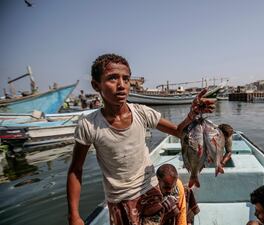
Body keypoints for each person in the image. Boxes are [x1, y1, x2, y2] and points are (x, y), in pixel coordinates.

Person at [67, 53, 215, 225]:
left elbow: (177, 131)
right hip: (121, 199)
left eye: (126, 79)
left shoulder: (142, 112)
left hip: (151, 189)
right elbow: (76, 169)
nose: (121, 85)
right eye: (112, 78)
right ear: (96, 85)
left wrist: (192, 114)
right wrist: (74, 215)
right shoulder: (89, 125)